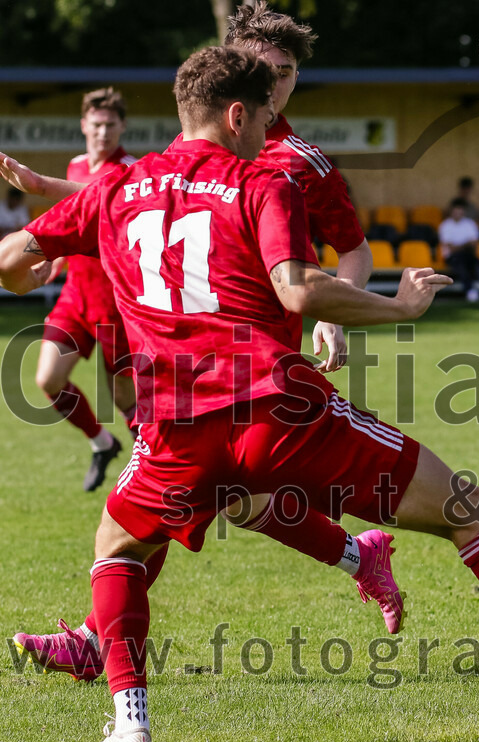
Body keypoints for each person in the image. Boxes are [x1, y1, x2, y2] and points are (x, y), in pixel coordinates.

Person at [0, 45, 479, 742]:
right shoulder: (260, 180)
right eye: (262, 118)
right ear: (237, 115)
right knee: (464, 509)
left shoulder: (116, 189)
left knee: (117, 550)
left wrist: (36, 274)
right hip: (278, 411)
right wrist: (397, 307)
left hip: (175, 433)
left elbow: (11, 262)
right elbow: (299, 289)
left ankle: (131, 726)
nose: (266, 131)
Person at [5, 0, 408, 686]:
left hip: (258, 365)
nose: (273, 85)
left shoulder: (302, 163)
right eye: (260, 69)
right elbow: (127, 198)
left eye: (285, 72)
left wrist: (334, 313)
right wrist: (52, 198)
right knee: (220, 497)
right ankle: (358, 555)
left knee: (184, 496)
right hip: (183, 355)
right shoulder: (200, 142)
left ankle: (99, 647)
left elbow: (355, 249)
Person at [40, 88, 138, 491]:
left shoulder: (131, 170)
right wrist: (55, 257)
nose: (103, 132)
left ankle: (152, 464)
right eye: (96, 125)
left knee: (124, 397)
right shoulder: (75, 166)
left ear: (122, 126)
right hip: (76, 296)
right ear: (83, 125)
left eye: (110, 125)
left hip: (116, 302)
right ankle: (102, 443)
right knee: (48, 379)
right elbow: (71, 221)